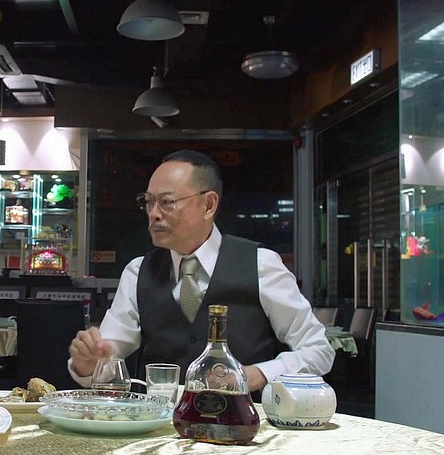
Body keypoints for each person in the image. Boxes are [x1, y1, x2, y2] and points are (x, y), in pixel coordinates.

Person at [68, 150, 334, 392]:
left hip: (244, 422)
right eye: (148, 202)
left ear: (208, 205)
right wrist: (88, 364)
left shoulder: (260, 265)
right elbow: (107, 355)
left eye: (167, 202)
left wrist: (258, 374)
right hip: (158, 422)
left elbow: (319, 350)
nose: (154, 214)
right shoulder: (138, 272)